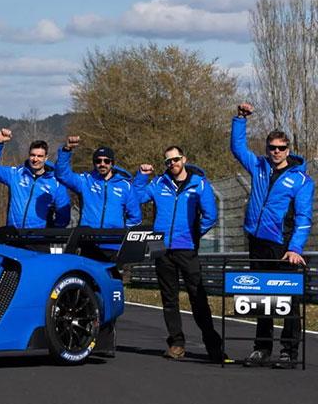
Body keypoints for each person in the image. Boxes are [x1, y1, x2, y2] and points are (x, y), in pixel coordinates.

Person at [231, 102, 314, 368]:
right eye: (271, 148)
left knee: (288, 300)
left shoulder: (301, 180)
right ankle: (261, 348)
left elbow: (303, 218)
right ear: (266, 148)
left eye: (281, 148)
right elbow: (237, 147)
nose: (276, 152)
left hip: (283, 246)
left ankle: (289, 352)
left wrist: (296, 248)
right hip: (257, 241)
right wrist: (240, 119)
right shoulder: (259, 166)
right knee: (260, 296)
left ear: (288, 150)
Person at [134, 147, 225, 362]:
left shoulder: (199, 184)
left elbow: (210, 215)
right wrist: (141, 176)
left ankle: (213, 345)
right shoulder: (158, 183)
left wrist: (193, 234)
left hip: (186, 247)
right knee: (169, 299)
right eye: (168, 161)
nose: (172, 164)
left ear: (184, 159)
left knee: (198, 297)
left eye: (175, 159)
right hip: (160, 247)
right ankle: (176, 343)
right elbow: (136, 197)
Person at [55, 136, 142, 260]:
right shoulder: (85, 181)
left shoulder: (125, 186)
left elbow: (135, 217)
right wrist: (66, 150)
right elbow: (62, 174)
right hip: (88, 243)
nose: (102, 164)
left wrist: (121, 233)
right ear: (94, 163)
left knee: (112, 279)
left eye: (106, 161)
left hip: (113, 246)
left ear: (112, 163)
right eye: (98, 161)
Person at [0, 128, 70, 228]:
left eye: (40, 156)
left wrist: (50, 233)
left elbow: (63, 215)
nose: (35, 159)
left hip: (40, 240)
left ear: (46, 158)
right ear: (28, 155)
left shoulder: (56, 182)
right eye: (32, 155)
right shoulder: (16, 174)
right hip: (13, 236)